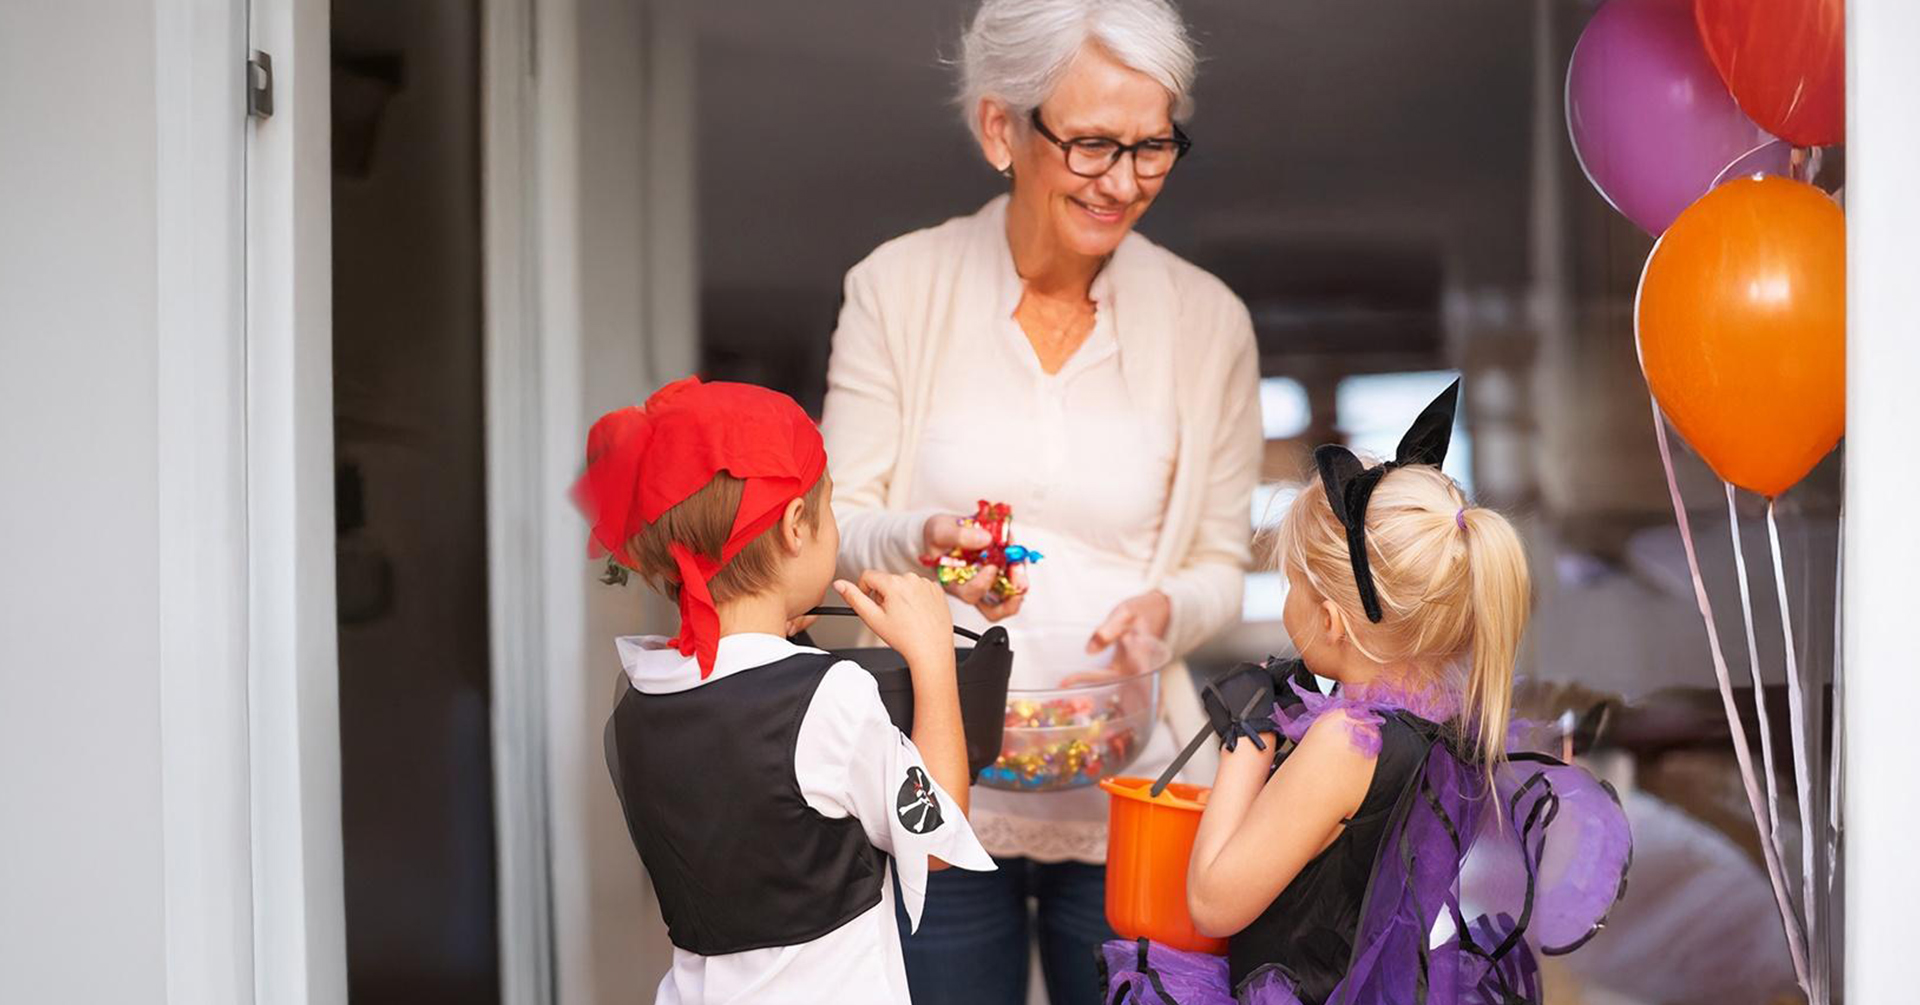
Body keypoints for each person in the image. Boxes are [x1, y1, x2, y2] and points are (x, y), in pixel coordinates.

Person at [820, 1, 1261, 999]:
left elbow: (1221, 567)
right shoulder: (896, 287)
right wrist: (926, 540)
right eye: (1093, 143)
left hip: (1131, 792)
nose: (1125, 181)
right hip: (935, 784)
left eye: (1153, 146)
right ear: (1000, 129)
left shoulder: (1209, 323)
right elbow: (834, 530)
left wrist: (1167, 610)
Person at [1099, 381, 1631, 1004]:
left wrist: (1246, 740)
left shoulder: (1346, 742)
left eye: (1292, 584)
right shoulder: (1445, 723)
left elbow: (1213, 903)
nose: (1288, 603)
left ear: (1330, 620)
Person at [576, 377, 995, 1005]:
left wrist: (771, 638)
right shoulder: (826, 696)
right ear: (797, 525)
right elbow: (936, 839)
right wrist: (933, 658)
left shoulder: (639, 696)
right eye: (830, 511)